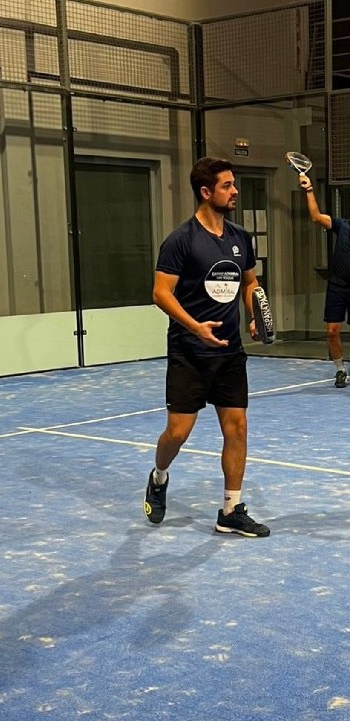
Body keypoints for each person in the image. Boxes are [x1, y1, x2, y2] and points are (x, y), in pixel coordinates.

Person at [143, 157, 270, 538]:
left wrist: (253, 313)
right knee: (177, 433)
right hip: (189, 352)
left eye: (233, 184)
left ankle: (231, 510)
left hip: (229, 352)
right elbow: (160, 293)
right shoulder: (180, 241)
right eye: (227, 185)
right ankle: (159, 476)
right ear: (205, 192)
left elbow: (249, 282)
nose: (235, 191)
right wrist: (195, 327)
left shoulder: (239, 238)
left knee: (237, 428)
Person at [298, 172, 350, 388]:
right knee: (332, 331)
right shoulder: (343, 225)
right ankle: (340, 370)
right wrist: (309, 190)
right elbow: (316, 217)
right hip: (337, 287)